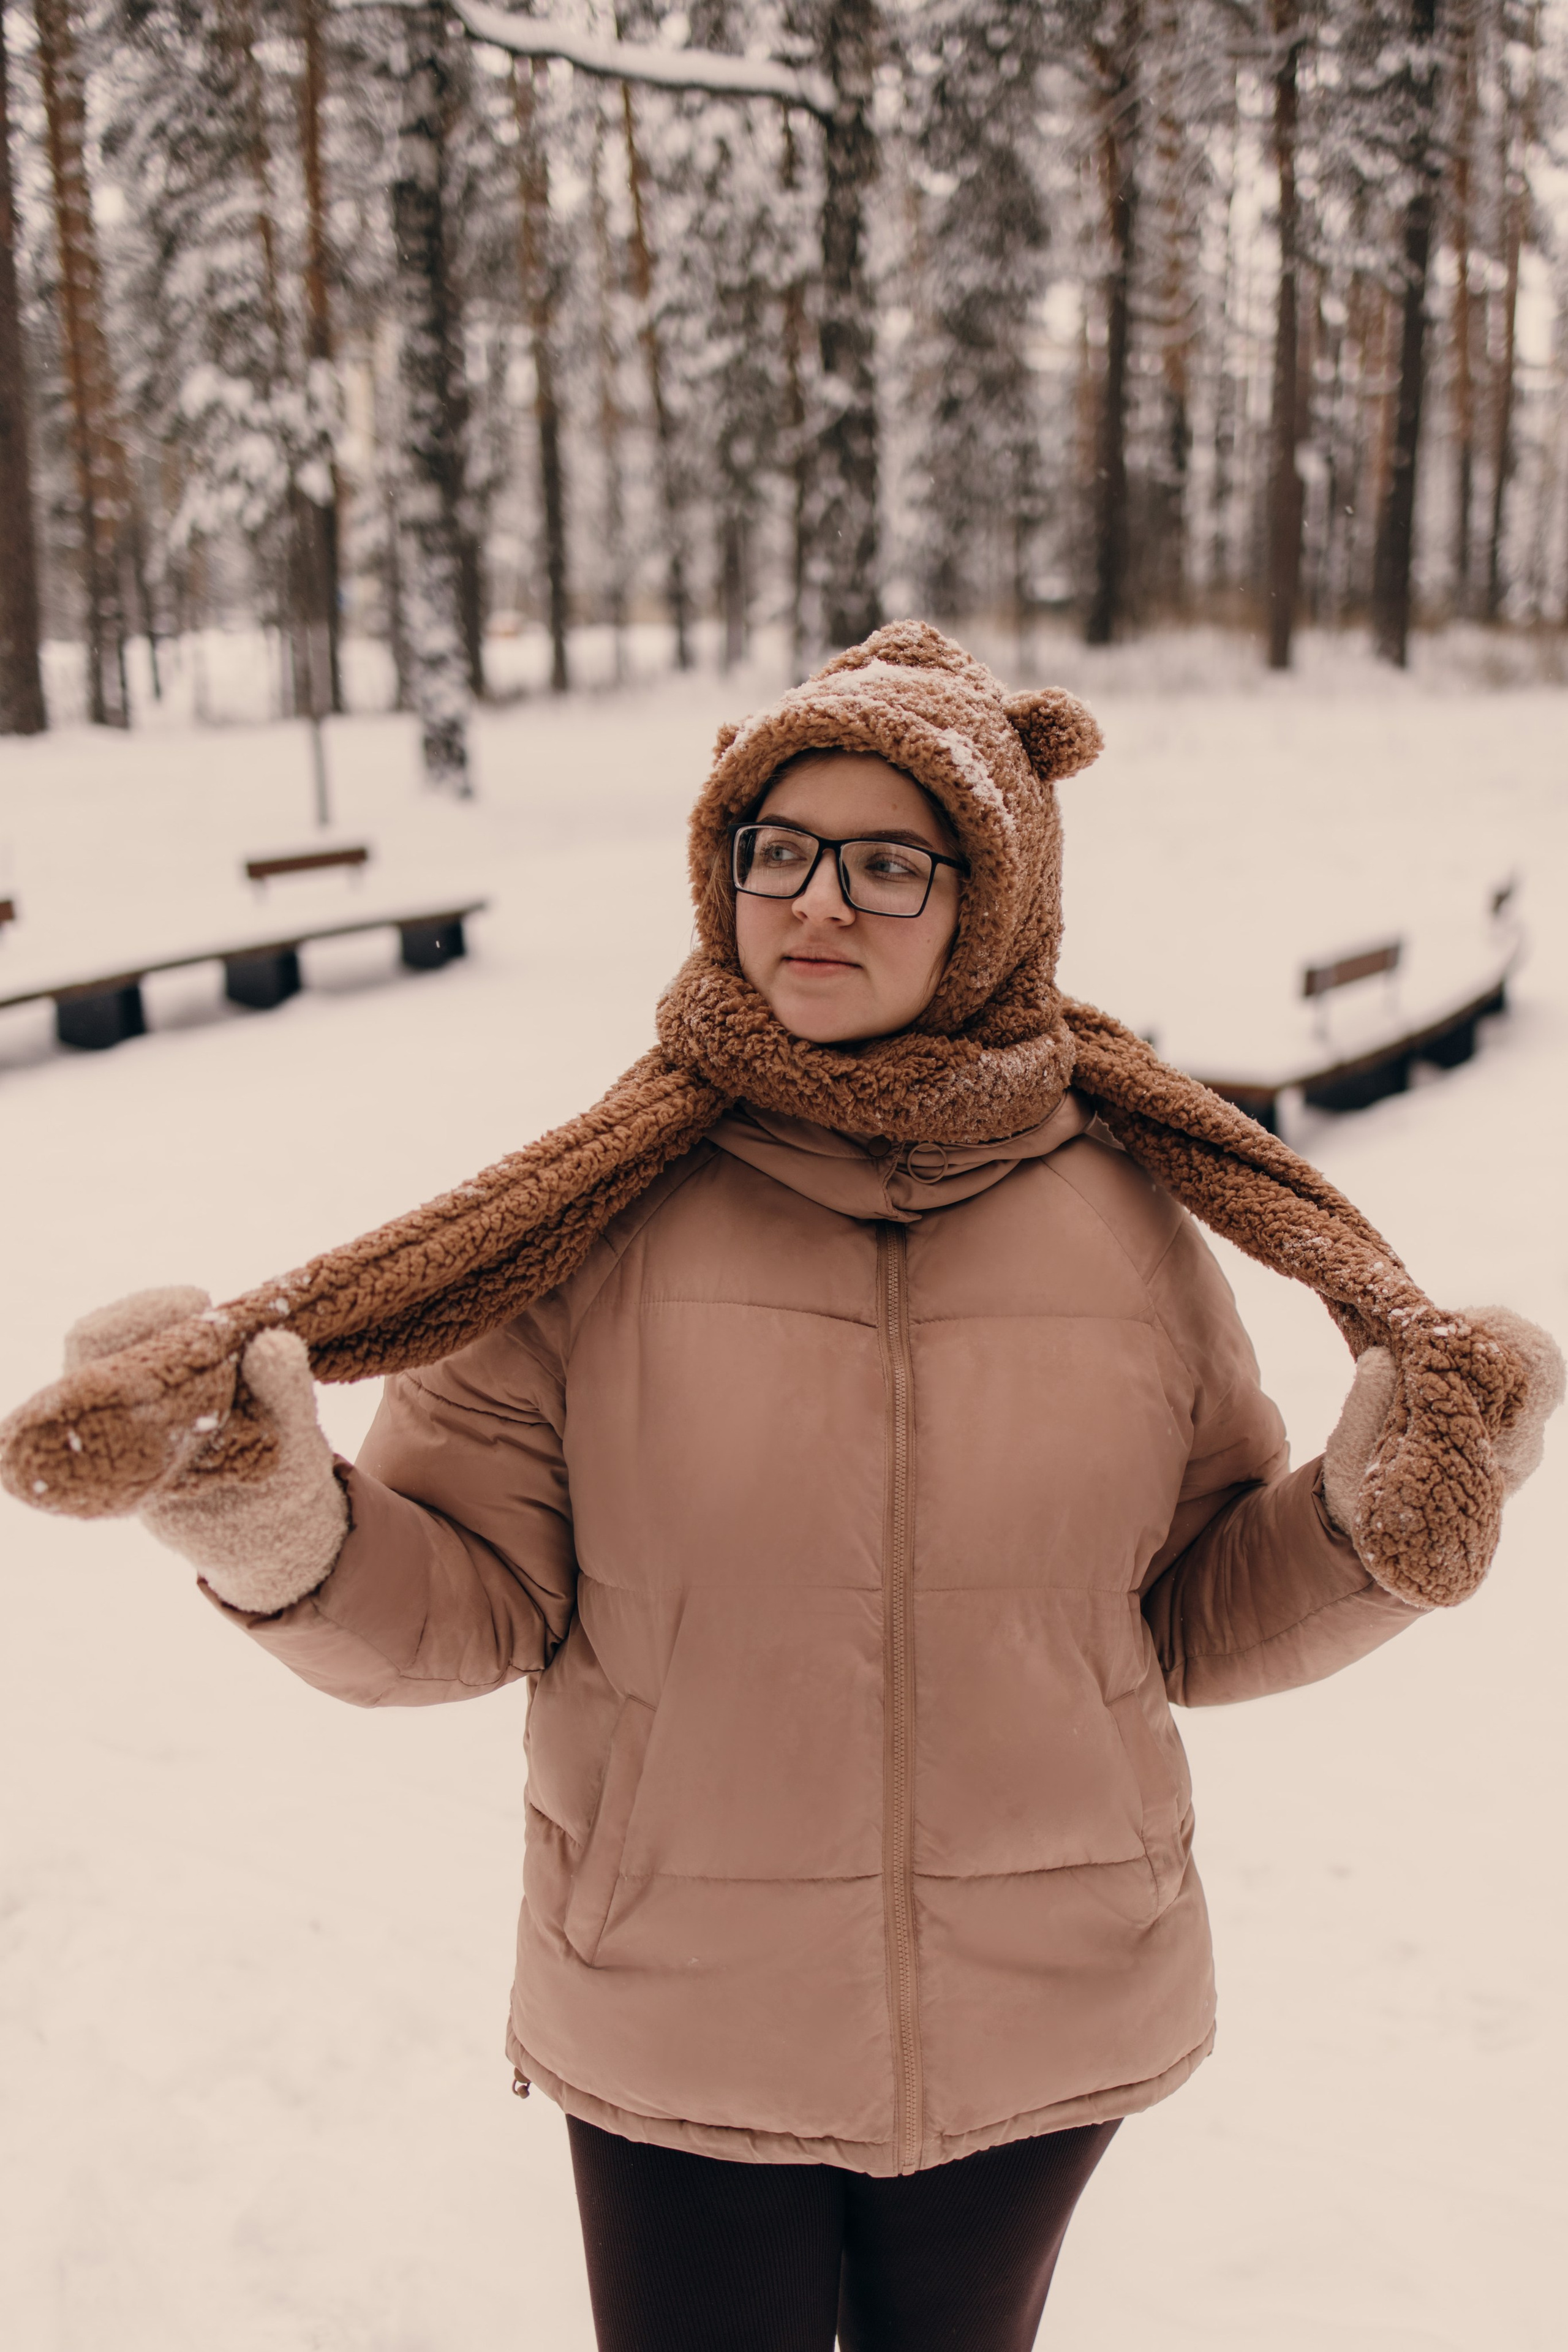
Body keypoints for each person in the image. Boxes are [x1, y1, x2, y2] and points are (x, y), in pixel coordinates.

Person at [10, 625, 1561, 2352]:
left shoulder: (1128, 1221)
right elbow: (467, 1608)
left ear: (999, 899)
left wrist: (1373, 1513)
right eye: (780, 851)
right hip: (678, 2022)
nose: (819, 903)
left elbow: (1193, 1609)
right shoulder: (592, 1222)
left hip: (1045, 2015)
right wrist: (275, 1521)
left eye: (891, 863)